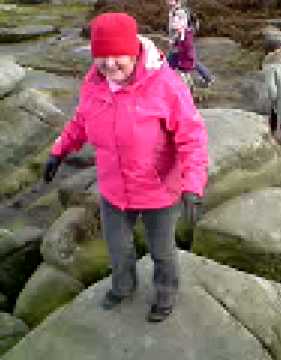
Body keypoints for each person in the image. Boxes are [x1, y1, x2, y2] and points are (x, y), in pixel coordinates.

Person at [43, 12, 208, 323]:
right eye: (101, 56)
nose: (109, 64)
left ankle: (165, 292)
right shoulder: (93, 83)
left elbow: (192, 136)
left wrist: (193, 184)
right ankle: (123, 286)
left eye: (116, 55)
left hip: (157, 188)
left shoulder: (166, 85)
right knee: (117, 246)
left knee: (162, 250)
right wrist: (58, 151)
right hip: (113, 186)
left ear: (132, 50)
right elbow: (81, 121)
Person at [166, 0, 215, 87]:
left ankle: (189, 84)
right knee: (184, 61)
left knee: (178, 62)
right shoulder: (173, 11)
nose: (167, 1)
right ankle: (207, 77)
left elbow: (180, 27)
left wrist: (175, 39)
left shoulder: (180, 12)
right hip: (178, 41)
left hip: (180, 41)